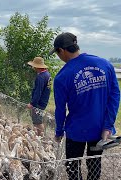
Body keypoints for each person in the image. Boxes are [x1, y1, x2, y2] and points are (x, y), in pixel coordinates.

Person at [50, 32, 120, 180]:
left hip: (76, 132)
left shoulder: (62, 76)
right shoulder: (105, 64)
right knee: (95, 165)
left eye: (57, 53)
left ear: (62, 50)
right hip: (100, 131)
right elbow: (114, 96)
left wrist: (59, 131)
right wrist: (107, 126)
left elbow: (60, 109)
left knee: (72, 168)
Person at [27, 57, 51, 136]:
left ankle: (40, 137)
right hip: (44, 101)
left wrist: (32, 103)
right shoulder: (48, 75)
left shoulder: (40, 77)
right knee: (39, 120)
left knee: (37, 122)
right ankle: (40, 136)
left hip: (38, 103)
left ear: (37, 67)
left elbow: (38, 92)